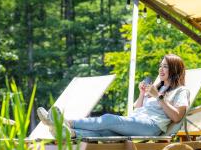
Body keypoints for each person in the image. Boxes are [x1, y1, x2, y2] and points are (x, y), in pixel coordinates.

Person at [37, 54, 190, 139]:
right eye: (160, 65)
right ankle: (68, 133)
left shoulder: (181, 91)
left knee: (109, 119)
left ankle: (66, 123)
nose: (161, 69)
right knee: (104, 132)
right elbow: (137, 108)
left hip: (151, 126)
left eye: (165, 66)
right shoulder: (158, 87)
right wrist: (143, 94)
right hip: (137, 121)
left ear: (175, 69)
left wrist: (159, 97)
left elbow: (177, 117)